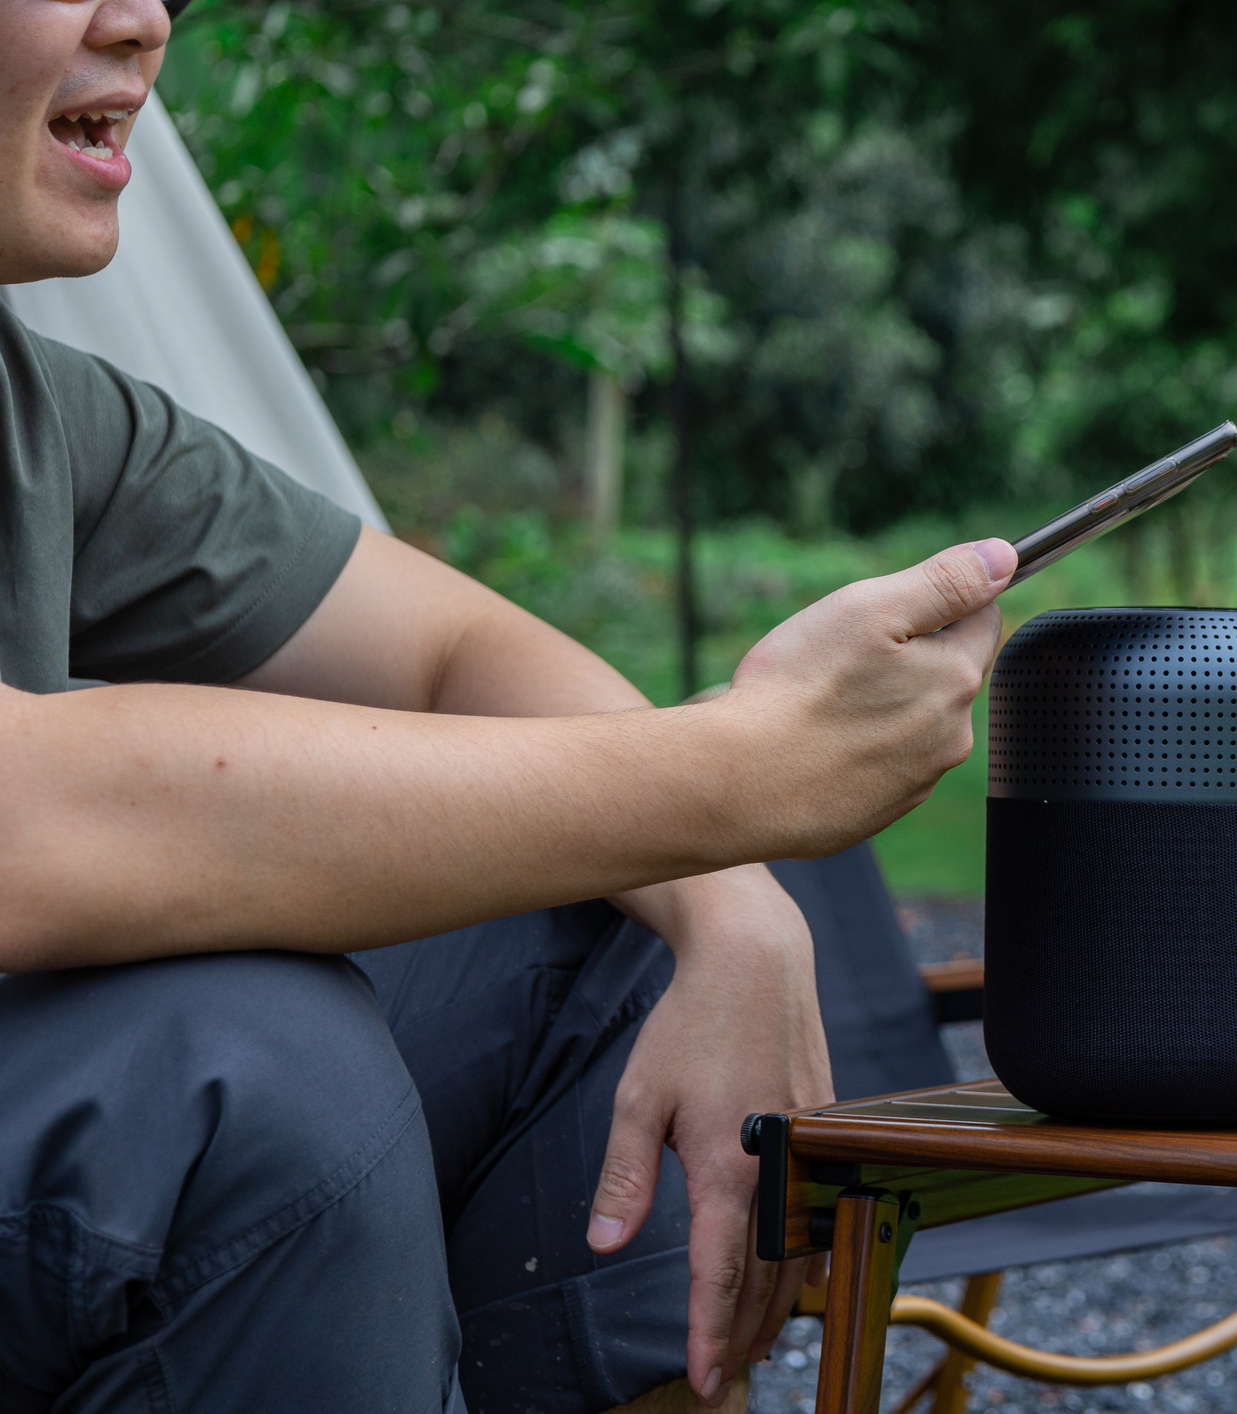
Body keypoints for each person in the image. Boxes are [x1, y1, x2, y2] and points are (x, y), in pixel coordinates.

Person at [0, 2, 1016, 1410]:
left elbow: (451, 648)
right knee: (259, 1071)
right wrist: (734, 771)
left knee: (594, 924)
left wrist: (726, 901)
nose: (145, 16)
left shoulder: (45, 410)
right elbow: (29, 821)